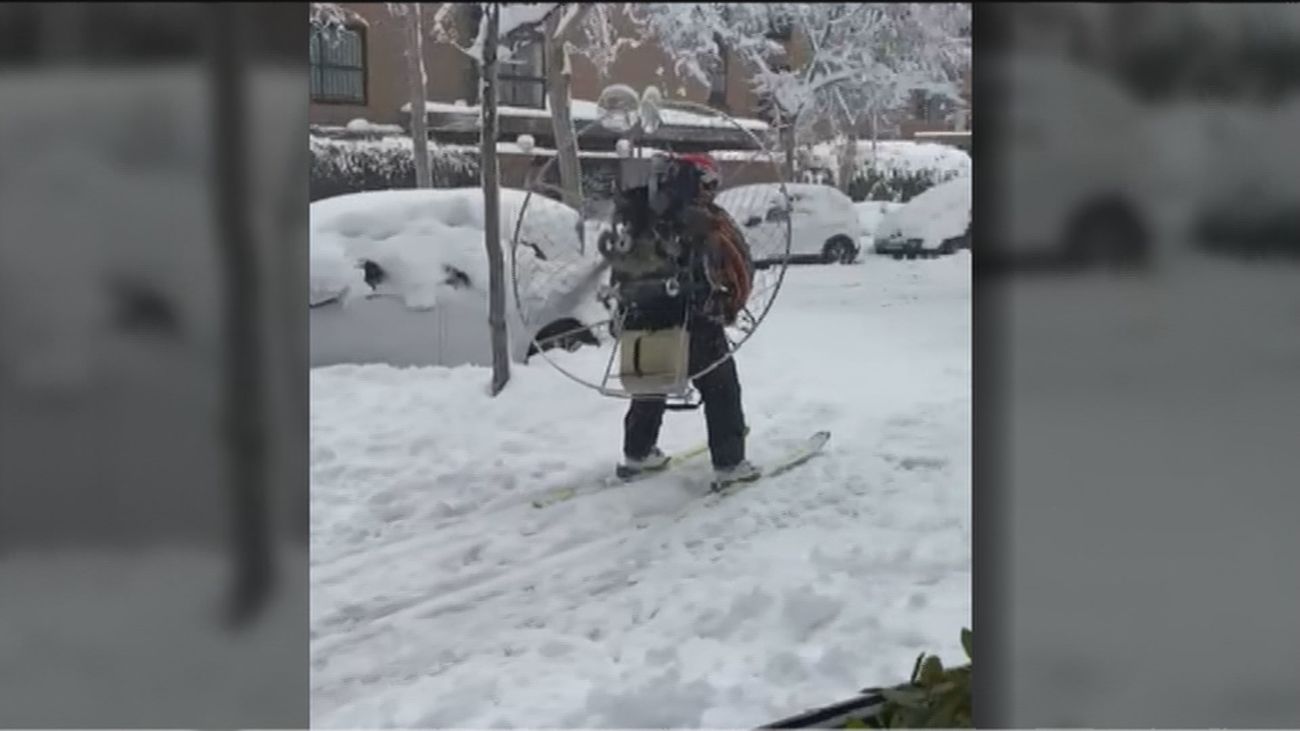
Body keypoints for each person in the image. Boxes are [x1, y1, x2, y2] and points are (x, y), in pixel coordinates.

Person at [617, 153, 760, 489]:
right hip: (693, 319)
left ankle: (638, 453)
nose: (712, 190)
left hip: (642, 316)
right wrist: (725, 301)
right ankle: (730, 464)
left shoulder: (643, 211)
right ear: (694, 180)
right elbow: (725, 267)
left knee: (651, 382)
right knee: (721, 387)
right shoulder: (703, 219)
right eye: (709, 182)